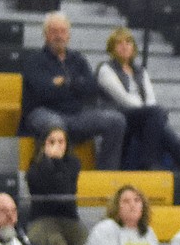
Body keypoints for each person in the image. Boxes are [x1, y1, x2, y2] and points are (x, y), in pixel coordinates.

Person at [95, 27, 180, 183]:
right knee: (157, 116)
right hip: (119, 117)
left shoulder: (140, 70)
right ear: (112, 48)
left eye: (128, 42)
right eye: (119, 43)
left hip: (142, 117)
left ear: (134, 47)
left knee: (159, 121)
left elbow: (151, 99)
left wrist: (151, 111)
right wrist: (150, 111)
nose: (124, 46)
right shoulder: (105, 69)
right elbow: (123, 99)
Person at [21, 12, 126, 171]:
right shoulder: (34, 61)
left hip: (76, 114)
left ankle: (107, 174)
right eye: (54, 31)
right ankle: (56, 176)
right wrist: (75, 86)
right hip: (42, 112)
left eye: (63, 31)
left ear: (69, 35)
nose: (59, 36)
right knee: (56, 125)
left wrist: (63, 82)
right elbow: (43, 92)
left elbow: (91, 89)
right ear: (45, 35)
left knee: (116, 120)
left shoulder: (78, 59)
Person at [24, 125, 86, 245]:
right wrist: (50, 161)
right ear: (43, 144)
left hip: (69, 218)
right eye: (52, 142)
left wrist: (57, 163)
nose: (57, 146)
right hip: (42, 219)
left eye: (61, 142)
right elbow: (47, 187)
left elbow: (64, 189)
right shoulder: (35, 168)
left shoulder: (73, 164)